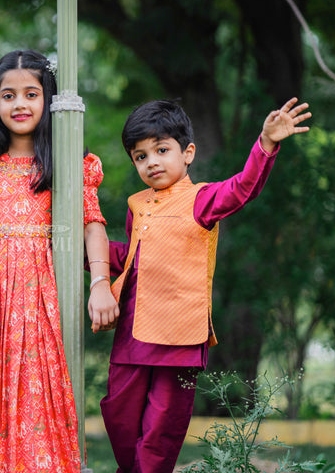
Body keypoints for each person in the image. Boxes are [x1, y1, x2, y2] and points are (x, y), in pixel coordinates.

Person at [0, 49, 119, 472]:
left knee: (31, 395)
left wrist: (100, 283)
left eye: (31, 94)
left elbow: (92, 226)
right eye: (8, 95)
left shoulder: (66, 165)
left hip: (34, 303)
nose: (20, 104)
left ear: (47, 99)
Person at [101, 98, 311, 473]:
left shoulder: (201, 199)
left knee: (160, 432)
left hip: (178, 338)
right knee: (118, 416)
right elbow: (132, 259)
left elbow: (242, 188)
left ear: (188, 153)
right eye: (140, 156)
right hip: (132, 333)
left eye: (162, 150)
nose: (152, 162)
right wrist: (83, 247)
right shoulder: (138, 205)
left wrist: (265, 144)